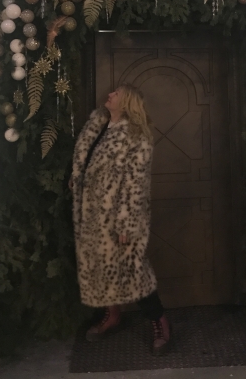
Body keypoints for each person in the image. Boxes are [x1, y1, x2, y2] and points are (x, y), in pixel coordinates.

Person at [69, 83, 171, 355]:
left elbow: (136, 182)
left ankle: (160, 322)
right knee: (102, 268)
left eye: (116, 93)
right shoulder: (99, 126)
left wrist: (126, 222)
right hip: (92, 213)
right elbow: (86, 160)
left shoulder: (137, 135)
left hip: (117, 215)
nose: (110, 95)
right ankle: (112, 315)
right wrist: (77, 179)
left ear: (127, 102)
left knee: (133, 271)